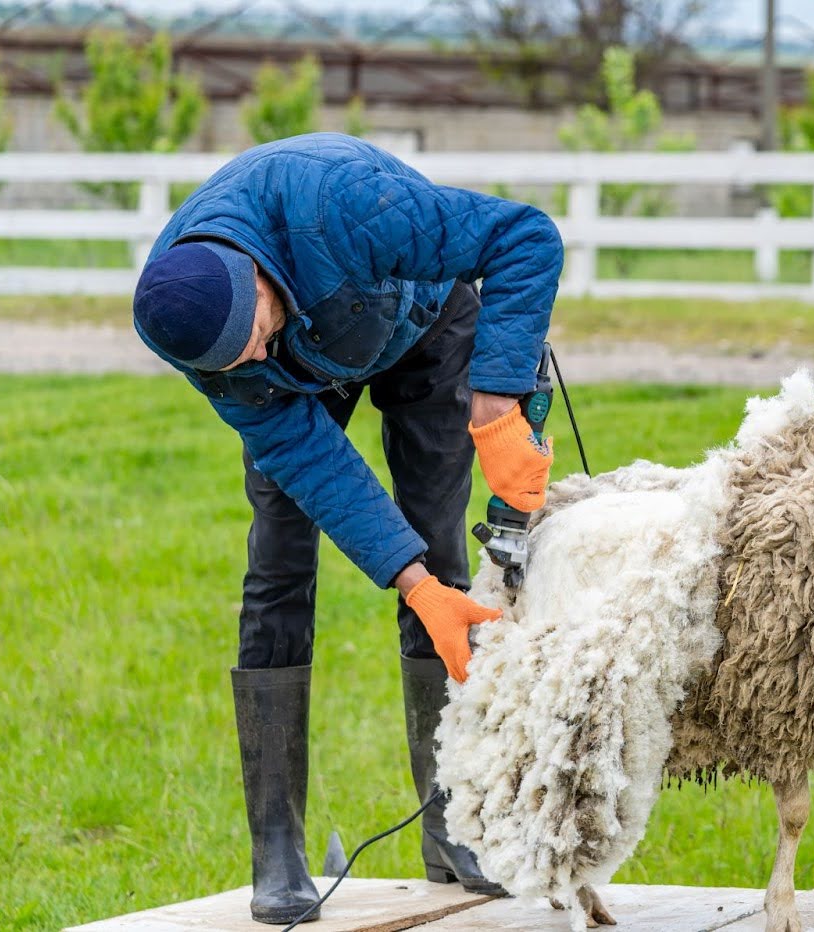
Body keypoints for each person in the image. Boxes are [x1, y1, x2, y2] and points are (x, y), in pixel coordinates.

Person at [132, 133, 561, 924]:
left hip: (422, 323)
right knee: (280, 567)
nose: (248, 356)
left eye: (252, 332)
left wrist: (498, 403)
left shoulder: (346, 209)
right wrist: (411, 583)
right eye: (231, 360)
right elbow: (315, 462)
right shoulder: (206, 338)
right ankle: (277, 849)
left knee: (439, 541)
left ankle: (453, 830)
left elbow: (523, 236)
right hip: (303, 380)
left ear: (256, 271)